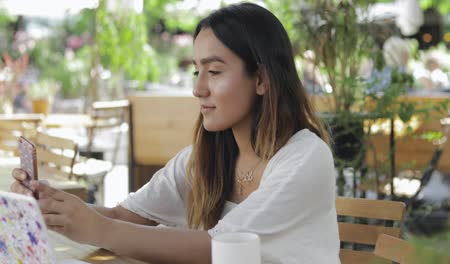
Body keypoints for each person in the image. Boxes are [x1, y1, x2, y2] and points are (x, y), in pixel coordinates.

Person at [10, 3, 340, 263]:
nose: (197, 89)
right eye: (197, 71)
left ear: (261, 79)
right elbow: (122, 216)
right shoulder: (203, 158)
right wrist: (51, 206)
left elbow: (217, 248)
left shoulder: (305, 157)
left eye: (213, 71)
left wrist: (98, 228)